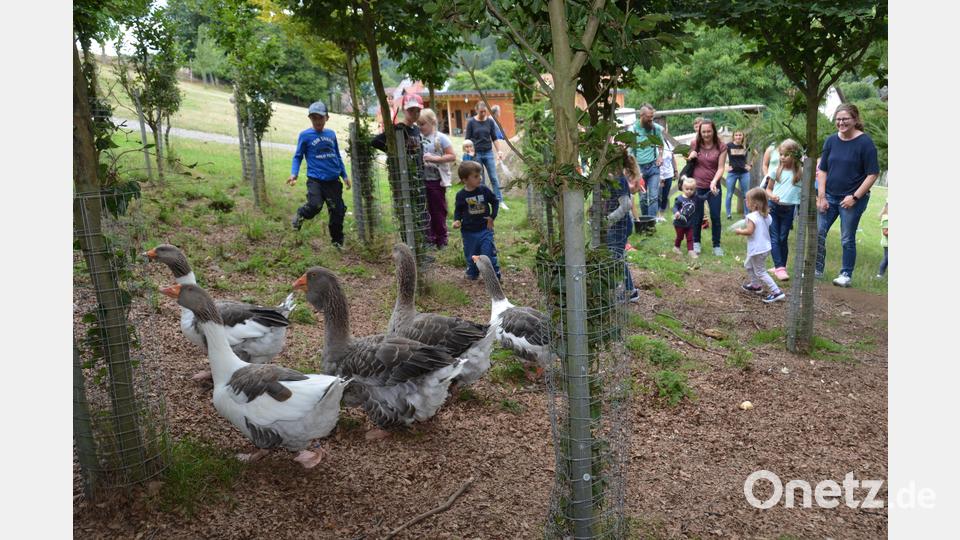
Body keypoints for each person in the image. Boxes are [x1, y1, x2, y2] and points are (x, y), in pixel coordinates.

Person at [815, 103, 880, 288]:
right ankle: (817, 269)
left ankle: (845, 274)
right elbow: (823, 170)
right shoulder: (830, 141)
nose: (841, 123)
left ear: (855, 119)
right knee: (819, 232)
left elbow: (872, 173)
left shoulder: (865, 143)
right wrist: (822, 196)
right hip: (829, 196)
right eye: (838, 119)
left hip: (851, 199)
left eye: (845, 119)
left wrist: (855, 197)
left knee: (847, 238)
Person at [288, 101, 351, 247]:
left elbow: (337, 156)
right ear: (310, 118)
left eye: (320, 117)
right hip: (315, 180)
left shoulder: (331, 134)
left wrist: (344, 175)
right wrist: (294, 174)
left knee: (337, 212)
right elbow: (298, 156)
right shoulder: (305, 136)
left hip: (333, 181)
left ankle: (337, 242)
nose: (317, 121)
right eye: (314, 118)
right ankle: (301, 214)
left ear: (327, 118)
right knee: (315, 205)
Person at [734, 187, 786, 303]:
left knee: (760, 272)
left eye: (747, 200)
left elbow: (749, 231)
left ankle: (776, 292)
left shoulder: (751, 217)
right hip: (764, 247)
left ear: (755, 204)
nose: (745, 201)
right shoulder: (767, 216)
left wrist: (740, 231)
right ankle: (755, 285)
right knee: (748, 265)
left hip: (757, 249)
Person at [453, 161, 501, 281]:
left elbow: (495, 201)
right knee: (471, 254)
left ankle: (493, 275)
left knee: (488, 253)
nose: (480, 178)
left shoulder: (484, 190)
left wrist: (492, 217)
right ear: (465, 180)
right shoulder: (461, 195)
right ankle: (473, 272)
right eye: (475, 176)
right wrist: (457, 220)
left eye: (480, 175)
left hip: (485, 229)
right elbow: (458, 210)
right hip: (468, 232)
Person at [606, 153, 644, 303]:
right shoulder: (612, 178)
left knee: (616, 258)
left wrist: (609, 219)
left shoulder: (619, 179)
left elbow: (626, 205)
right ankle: (621, 287)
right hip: (615, 225)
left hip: (619, 225)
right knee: (615, 257)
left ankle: (630, 291)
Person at [687, 118, 728, 256]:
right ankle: (696, 242)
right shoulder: (695, 144)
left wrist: (714, 181)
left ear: (714, 131)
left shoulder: (721, 146)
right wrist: (691, 156)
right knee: (697, 216)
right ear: (700, 132)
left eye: (709, 131)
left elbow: (721, 167)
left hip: (713, 187)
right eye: (703, 132)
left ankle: (716, 245)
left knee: (715, 216)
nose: (706, 134)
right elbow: (689, 163)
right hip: (697, 186)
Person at [765, 139, 802, 281]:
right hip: (774, 208)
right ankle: (779, 268)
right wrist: (772, 196)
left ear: (794, 155)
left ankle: (781, 266)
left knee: (783, 237)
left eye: (786, 155)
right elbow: (768, 189)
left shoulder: (800, 173)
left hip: (789, 210)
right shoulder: (776, 171)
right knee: (774, 237)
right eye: (781, 154)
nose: (782, 157)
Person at [418, 108, 456, 249]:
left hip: (436, 181)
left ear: (432, 122)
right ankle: (429, 239)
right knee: (425, 210)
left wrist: (435, 159)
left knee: (438, 210)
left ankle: (441, 239)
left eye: (423, 124)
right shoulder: (417, 138)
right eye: (418, 124)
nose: (420, 127)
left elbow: (452, 156)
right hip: (421, 181)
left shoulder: (440, 138)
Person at [465, 101, 508, 210]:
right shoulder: (471, 122)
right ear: (476, 110)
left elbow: (494, 138)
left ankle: (500, 201)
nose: (483, 113)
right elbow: (467, 139)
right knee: (480, 179)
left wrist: (499, 151)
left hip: (488, 153)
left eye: (485, 111)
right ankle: (482, 202)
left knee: (494, 178)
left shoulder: (490, 122)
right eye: (481, 112)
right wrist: (469, 152)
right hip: (476, 154)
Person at [632, 104, 665, 218]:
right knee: (642, 197)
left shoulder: (655, 128)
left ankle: (652, 222)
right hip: (639, 169)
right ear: (641, 115)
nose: (651, 119)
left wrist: (660, 156)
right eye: (649, 117)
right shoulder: (633, 129)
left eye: (652, 116)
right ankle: (645, 220)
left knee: (653, 197)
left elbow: (661, 144)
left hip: (653, 167)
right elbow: (630, 151)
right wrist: (633, 169)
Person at [725, 130, 752, 220]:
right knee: (729, 194)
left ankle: (746, 214)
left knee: (746, 194)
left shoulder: (746, 145)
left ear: (743, 136)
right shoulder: (729, 146)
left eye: (740, 135)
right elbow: (721, 155)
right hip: (732, 173)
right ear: (733, 136)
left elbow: (755, 154)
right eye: (736, 135)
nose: (738, 137)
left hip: (744, 173)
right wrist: (725, 166)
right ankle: (728, 214)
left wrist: (750, 165)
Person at [672, 176, 698, 258]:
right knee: (680, 237)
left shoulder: (695, 198)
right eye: (687, 189)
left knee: (690, 237)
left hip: (690, 223)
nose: (689, 191)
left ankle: (691, 251)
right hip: (679, 223)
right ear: (683, 188)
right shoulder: (679, 199)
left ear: (694, 189)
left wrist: (710, 193)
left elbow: (703, 198)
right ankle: (676, 247)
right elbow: (675, 207)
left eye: (691, 189)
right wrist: (676, 212)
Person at [657, 130, 679, 223]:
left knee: (665, 196)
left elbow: (673, 158)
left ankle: (661, 215)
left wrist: (675, 170)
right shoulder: (655, 145)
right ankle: (657, 215)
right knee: (658, 196)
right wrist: (661, 177)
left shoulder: (668, 143)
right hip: (658, 175)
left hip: (669, 174)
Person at [877, 202, 888, 278]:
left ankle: (880, 274)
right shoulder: (887, 219)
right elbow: (885, 232)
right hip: (887, 243)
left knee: (887, 258)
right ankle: (880, 274)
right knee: (887, 259)